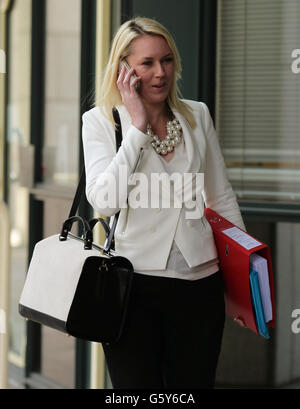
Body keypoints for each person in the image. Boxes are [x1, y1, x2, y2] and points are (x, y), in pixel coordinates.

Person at [82, 17, 245, 389]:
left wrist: (240, 287)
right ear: (123, 69)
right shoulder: (100, 122)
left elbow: (220, 200)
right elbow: (104, 200)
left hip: (200, 285)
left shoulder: (197, 114)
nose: (160, 73)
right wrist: (137, 129)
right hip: (132, 288)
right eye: (147, 63)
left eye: (167, 61)